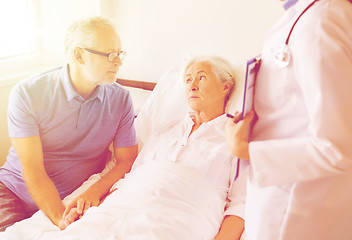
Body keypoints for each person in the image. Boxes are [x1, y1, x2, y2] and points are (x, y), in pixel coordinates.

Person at [1, 55, 247, 240]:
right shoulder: (165, 129)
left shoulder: (236, 137)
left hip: (181, 215)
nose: (191, 85)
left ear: (226, 86)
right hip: (125, 207)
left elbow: (240, 204)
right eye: (188, 79)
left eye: (201, 77)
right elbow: (130, 173)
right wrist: (95, 194)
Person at [226, 0, 352, 239]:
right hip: (284, 199)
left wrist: (245, 149)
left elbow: (338, 146)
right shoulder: (306, 16)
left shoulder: (321, 21)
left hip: (296, 211)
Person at [0, 16, 138, 231]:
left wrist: (93, 192)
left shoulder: (120, 99)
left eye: (120, 53)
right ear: (78, 55)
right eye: (110, 55)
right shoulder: (28, 94)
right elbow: (33, 169)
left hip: (72, 198)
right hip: (13, 192)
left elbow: (127, 159)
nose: (118, 62)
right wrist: (59, 219)